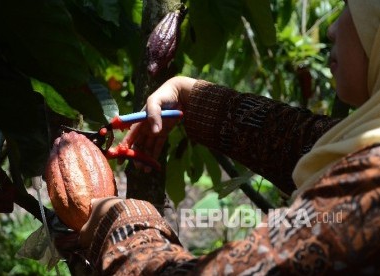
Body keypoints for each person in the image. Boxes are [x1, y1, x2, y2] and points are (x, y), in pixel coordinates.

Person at [62, 0, 380, 274]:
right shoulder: (364, 145)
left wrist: (122, 226)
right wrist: (193, 97)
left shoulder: (369, 190)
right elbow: (302, 142)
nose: (332, 29)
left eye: (350, 6)